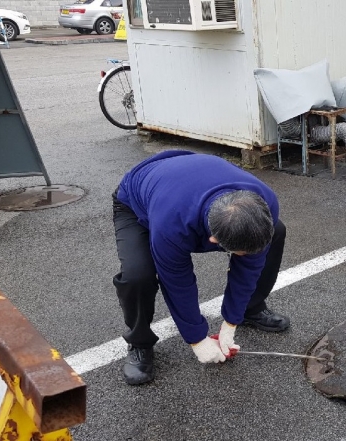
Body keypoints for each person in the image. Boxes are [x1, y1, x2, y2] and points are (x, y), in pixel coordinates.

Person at [112, 150, 290, 385]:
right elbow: (177, 282)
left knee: (277, 231)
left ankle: (250, 308)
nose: (248, 256)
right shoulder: (172, 226)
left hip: (187, 178)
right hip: (138, 201)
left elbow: (250, 264)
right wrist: (196, 339)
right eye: (240, 252)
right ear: (214, 241)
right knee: (138, 275)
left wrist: (231, 321)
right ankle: (140, 342)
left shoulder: (265, 201)